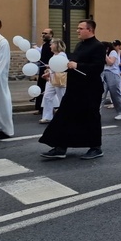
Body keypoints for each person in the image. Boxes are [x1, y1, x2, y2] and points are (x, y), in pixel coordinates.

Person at [39, 19, 106, 159]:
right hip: (75, 88)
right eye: (78, 28)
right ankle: (60, 147)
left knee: (91, 117)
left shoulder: (98, 46)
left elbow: (97, 68)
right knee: (64, 115)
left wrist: (78, 66)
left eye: (81, 28)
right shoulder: (80, 45)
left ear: (90, 30)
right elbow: (71, 64)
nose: (77, 31)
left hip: (90, 89)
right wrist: (54, 72)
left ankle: (96, 147)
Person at [39, 39, 67, 124]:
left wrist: (50, 67)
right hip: (51, 79)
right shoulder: (54, 55)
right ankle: (47, 117)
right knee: (47, 96)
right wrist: (48, 71)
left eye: (52, 44)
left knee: (62, 97)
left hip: (58, 79)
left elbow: (61, 67)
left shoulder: (62, 55)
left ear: (57, 45)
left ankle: (65, 115)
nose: (50, 46)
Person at [102, 41, 121, 120]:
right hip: (104, 73)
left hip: (112, 74)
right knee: (101, 94)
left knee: (115, 95)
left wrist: (104, 54)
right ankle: (96, 114)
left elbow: (110, 62)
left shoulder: (113, 52)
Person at [34, 28, 53, 114]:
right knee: (40, 87)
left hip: (49, 69)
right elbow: (41, 53)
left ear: (51, 35)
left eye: (46, 33)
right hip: (43, 68)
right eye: (43, 33)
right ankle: (40, 108)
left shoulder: (52, 45)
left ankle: (48, 108)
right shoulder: (44, 44)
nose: (43, 34)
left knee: (48, 89)